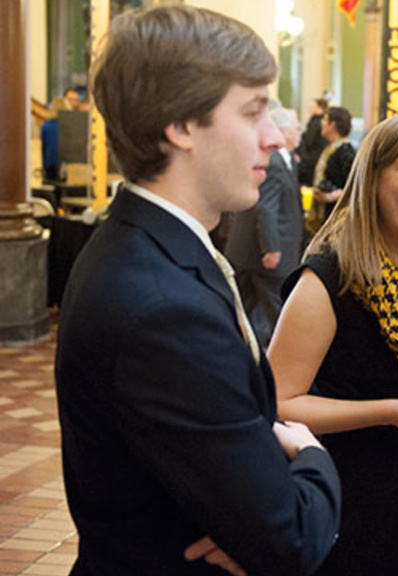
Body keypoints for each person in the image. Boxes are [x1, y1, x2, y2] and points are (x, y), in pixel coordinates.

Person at [54, 6, 341, 575]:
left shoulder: (151, 244)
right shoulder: (161, 308)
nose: (271, 137)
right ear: (181, 125)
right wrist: (313, 456)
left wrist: (249, 512)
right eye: (253, 110)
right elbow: (293, 540)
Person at [270, 113, 398, 576]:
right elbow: (278, 403)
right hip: (352, 495)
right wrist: (392, 411)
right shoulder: (327, 281)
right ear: (373, 179)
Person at [225, 107, 305, 346]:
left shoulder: (284, 161)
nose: (300, 132)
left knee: (252, 312)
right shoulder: (275, 162)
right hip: (266, 253)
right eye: (295, 128)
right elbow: (266, 207)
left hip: (251, 251)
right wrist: (271, 247)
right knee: (277, 313)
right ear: (282, 132)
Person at [310, 106, 356, 229]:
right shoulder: (329, 148)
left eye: (325, 120)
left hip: (338, 221)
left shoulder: (346, 152)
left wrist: (331, 196)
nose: (322, 123)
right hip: (325, 215)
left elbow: (354, 188)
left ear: (332, 124)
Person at [297, 97, 329, 187]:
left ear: (320, 108)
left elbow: (308, 141)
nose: (311, 109)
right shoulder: (320, 121)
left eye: (313, 106)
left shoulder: (316, 122)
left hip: (311, 160)